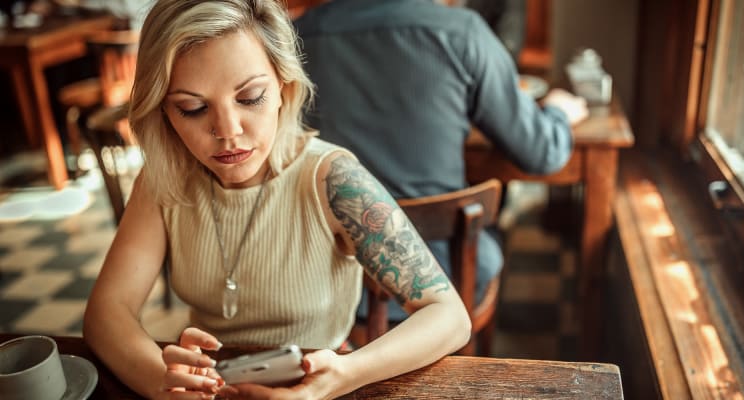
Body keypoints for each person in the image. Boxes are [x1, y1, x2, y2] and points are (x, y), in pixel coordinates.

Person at [82, 1, 471, 399]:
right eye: (192, 108)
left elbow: (450, 317)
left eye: (250, 97)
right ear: (164, 110)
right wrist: (164, 386)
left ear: (285, 87)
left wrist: (344, 375)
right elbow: (106, 314)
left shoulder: (332, 179)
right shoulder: (164, 179)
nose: (228, 131)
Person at [294, 0, 588, 323]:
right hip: (443, 282)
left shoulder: (298, 37)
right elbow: (541, 152)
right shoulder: (460, 33)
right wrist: (559, 112)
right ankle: (471, 365)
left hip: (323, 281)